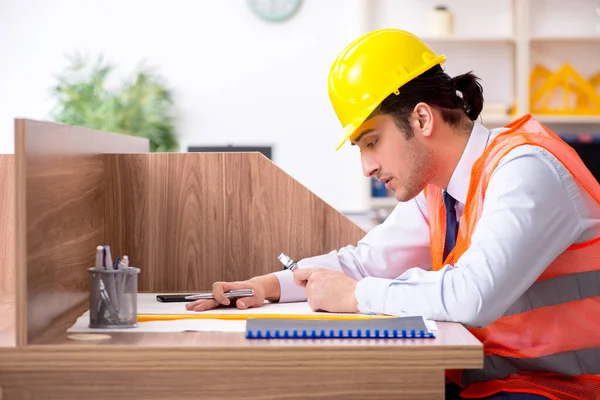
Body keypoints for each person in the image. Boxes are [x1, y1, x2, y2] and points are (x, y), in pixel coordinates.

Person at [186, 28, 600, 400]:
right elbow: (365, 261)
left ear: (421, 118)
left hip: (562, 390)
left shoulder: (525, 170)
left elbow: (471, 296)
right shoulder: (438, 192)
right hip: (494, 385)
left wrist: (354, 295)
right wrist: (268, 286)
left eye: (371, 142)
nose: (366, 167)